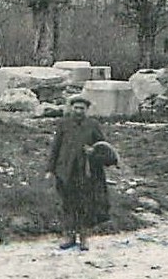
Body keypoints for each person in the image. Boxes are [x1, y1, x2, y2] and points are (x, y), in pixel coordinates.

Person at [45, 94, 116, 251]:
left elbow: (103, 148)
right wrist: (50, 169)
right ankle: (69, 236)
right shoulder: (63, 124)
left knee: (85, 205)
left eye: (81, 109)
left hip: (86, 172)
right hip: (65, 171)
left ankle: (84, 238)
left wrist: (92, 152)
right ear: (71, 108)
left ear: (87, 110)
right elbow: (55, 148)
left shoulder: (92, 125)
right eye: (76, 108)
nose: (78, 111)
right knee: (68, 204)